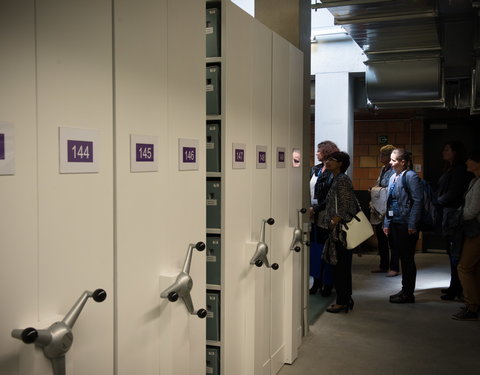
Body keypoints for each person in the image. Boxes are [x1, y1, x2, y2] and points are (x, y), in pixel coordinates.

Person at [383, 148, 423, 304]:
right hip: (395, 223)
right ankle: (404, 290)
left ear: (403, 162)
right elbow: (390, 203)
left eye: (393, 160)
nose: (390, 163)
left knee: (407, 259)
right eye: (391, 160)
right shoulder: (393, 177)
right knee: (400, 256)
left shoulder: (411, 176)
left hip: (407, 224)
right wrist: (387, 223)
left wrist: (412, 224)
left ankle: (408, 293)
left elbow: (418, 201)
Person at [319, 151, 357, 313]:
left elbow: (346, 203)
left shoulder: (342, 180)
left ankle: (342, 301)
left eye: (332, 160)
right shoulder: (336, 178)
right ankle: (346, 299)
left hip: (341, 231)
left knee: (341, 267)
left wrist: (335, 220)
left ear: (340, 163)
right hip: (337, 230)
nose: (328, 162)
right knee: (340, 266)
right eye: (327, 159)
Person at [436, 141, 472, 300]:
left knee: (455, 253)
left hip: (454, 215)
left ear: (455, 152)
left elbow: (454, 193)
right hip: (449, 213)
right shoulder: (451, 169)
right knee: (452, 252)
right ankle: (454, 285)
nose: (444, 152)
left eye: (447, 149)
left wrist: (436, 201)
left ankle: (457, 288)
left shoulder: (459, 170)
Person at [452, 150, 480, 321]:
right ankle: (474, 303)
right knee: (474, 268)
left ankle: (472, 306)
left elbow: (471, 211)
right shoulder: (474, 181)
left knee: (464, 267)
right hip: (474, 229)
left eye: (470, 160)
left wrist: (457, 216)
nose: (467, 162)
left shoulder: (478, 183)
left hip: (475, 231)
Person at [308, 141, 339, 296]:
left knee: (327, 251)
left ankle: (328, 283)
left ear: (327, 152)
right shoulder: (315, 169)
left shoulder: (334, 173)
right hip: (313, 216)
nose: (316, 153)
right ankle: (317, 281)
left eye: (319, 150)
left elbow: (331, 196)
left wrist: (316, 208)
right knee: (315, 250)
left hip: (326, 216)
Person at [369, 144, 398, 276]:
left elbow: (389, 187)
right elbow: (379, 183)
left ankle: (394, 267)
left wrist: (378, 189)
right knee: (381, 238)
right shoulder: (383, 168)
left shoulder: (393, 169)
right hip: (380, 207)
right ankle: (383, 264)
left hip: (390, 207)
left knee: (392, 239)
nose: (381, 157)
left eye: (383, 155)